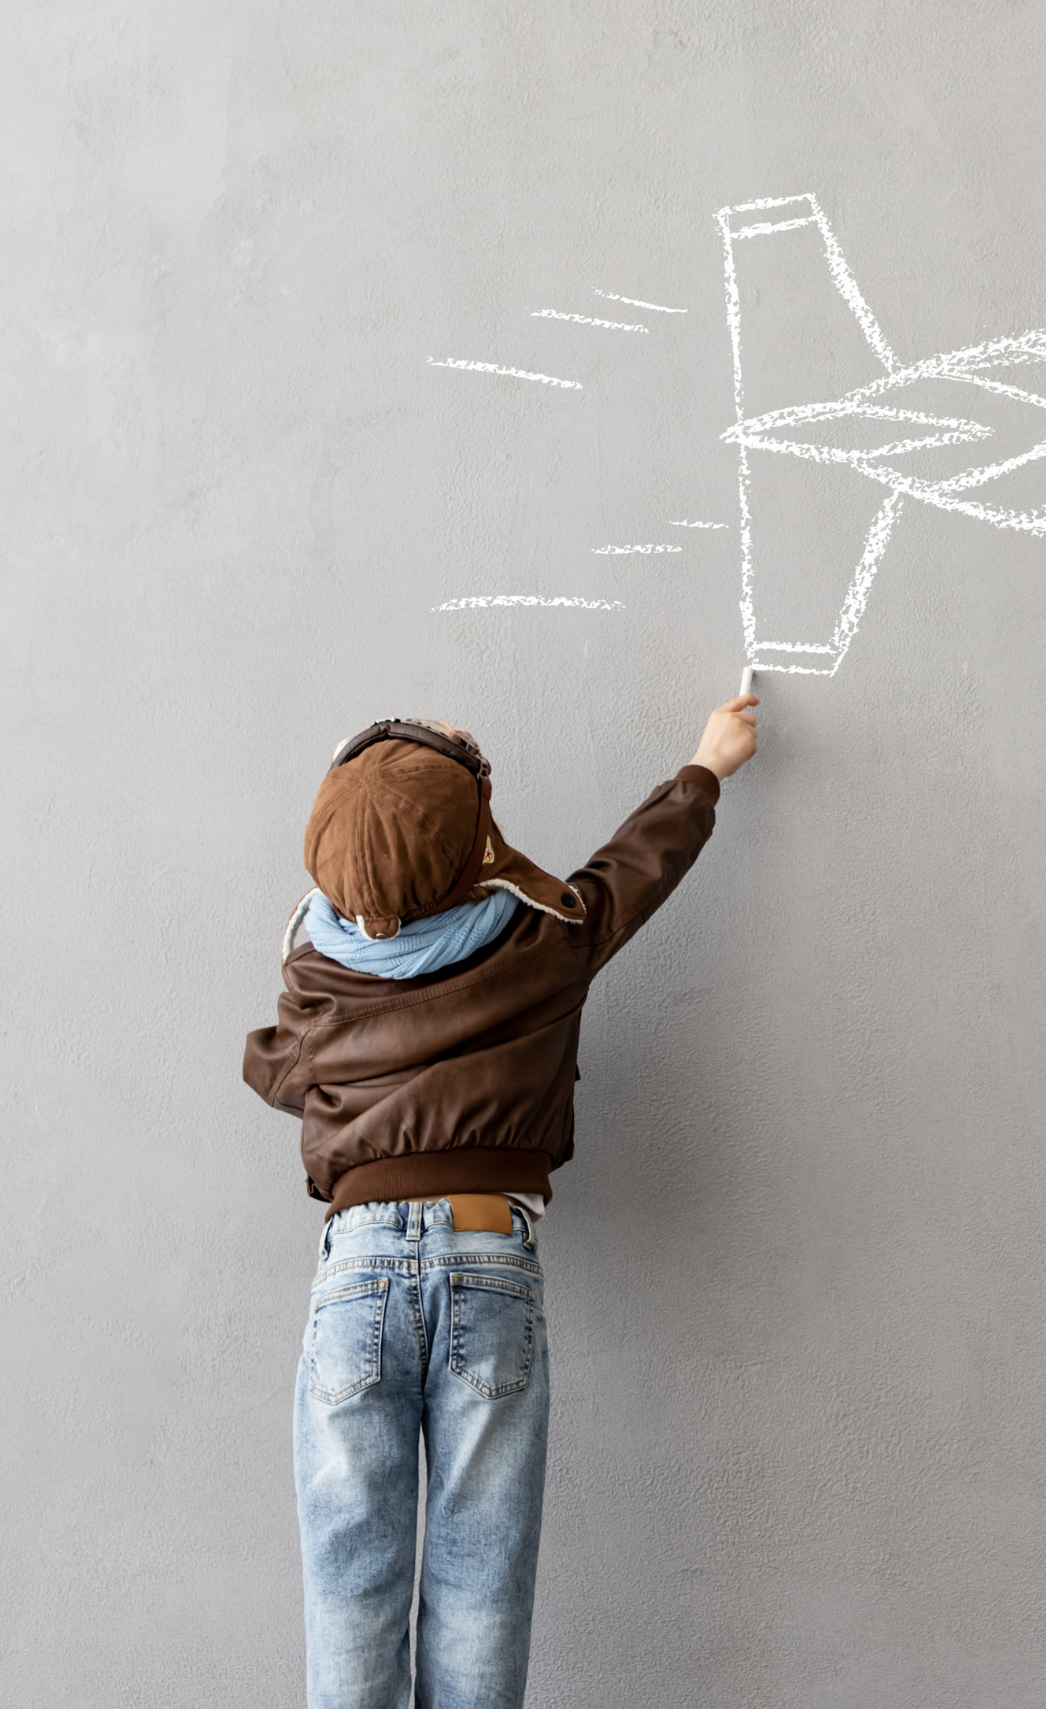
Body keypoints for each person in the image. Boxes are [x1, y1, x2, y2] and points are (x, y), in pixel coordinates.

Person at [244, 694, 759, 1708]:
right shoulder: (542, 941)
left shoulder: (317, 971)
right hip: (489, 1257)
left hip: (357, 1273)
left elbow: (272, 1070)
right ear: (473, 844)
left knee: (350, 1577)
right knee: (480, 1575)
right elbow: (631, 873)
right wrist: (704, 768)